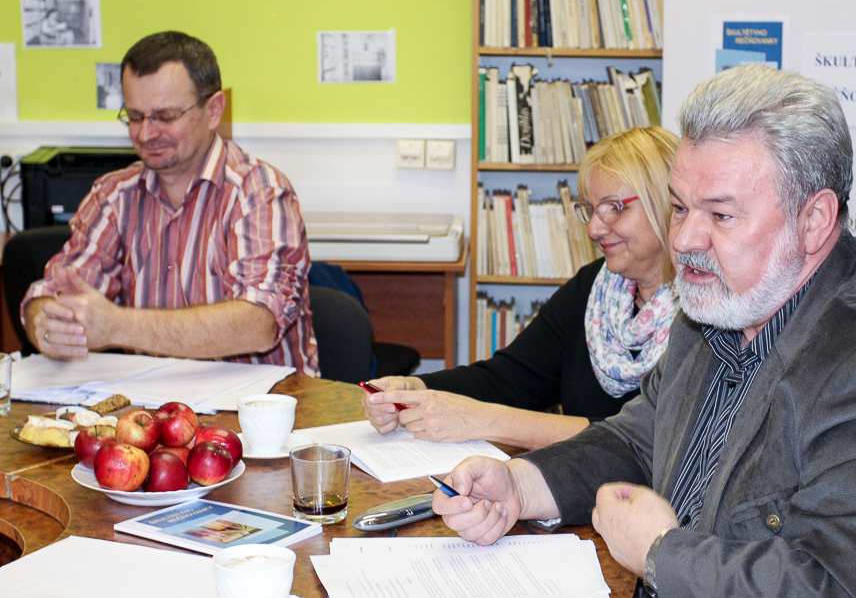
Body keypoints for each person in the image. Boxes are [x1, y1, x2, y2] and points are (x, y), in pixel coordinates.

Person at [432, 65, 856, 597]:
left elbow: (836, 584)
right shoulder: (718, 308)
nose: (683, 240)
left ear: (814, 220)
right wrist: (523, 486)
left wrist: (661, 553)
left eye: (721, 215)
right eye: (680, 208)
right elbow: (639, 439)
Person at [362, 127, 679, 449]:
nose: (594, 229)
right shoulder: (595, 288)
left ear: (667, 204)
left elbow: (647, 438)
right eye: (591, 210)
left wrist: (487, 420)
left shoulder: (699, 319)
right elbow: (510, 378)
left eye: (614, 208)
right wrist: (413, 389)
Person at [22, 31, 319, 375]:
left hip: (259, 402)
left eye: (165, 116)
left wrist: (118, 325)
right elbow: (46, 296)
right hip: (149, 398)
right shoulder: (113, 194)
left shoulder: (260, 192)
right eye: (135, 117)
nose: (146, 134)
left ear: (213, 111)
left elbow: (259, 323)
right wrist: (47, 323)